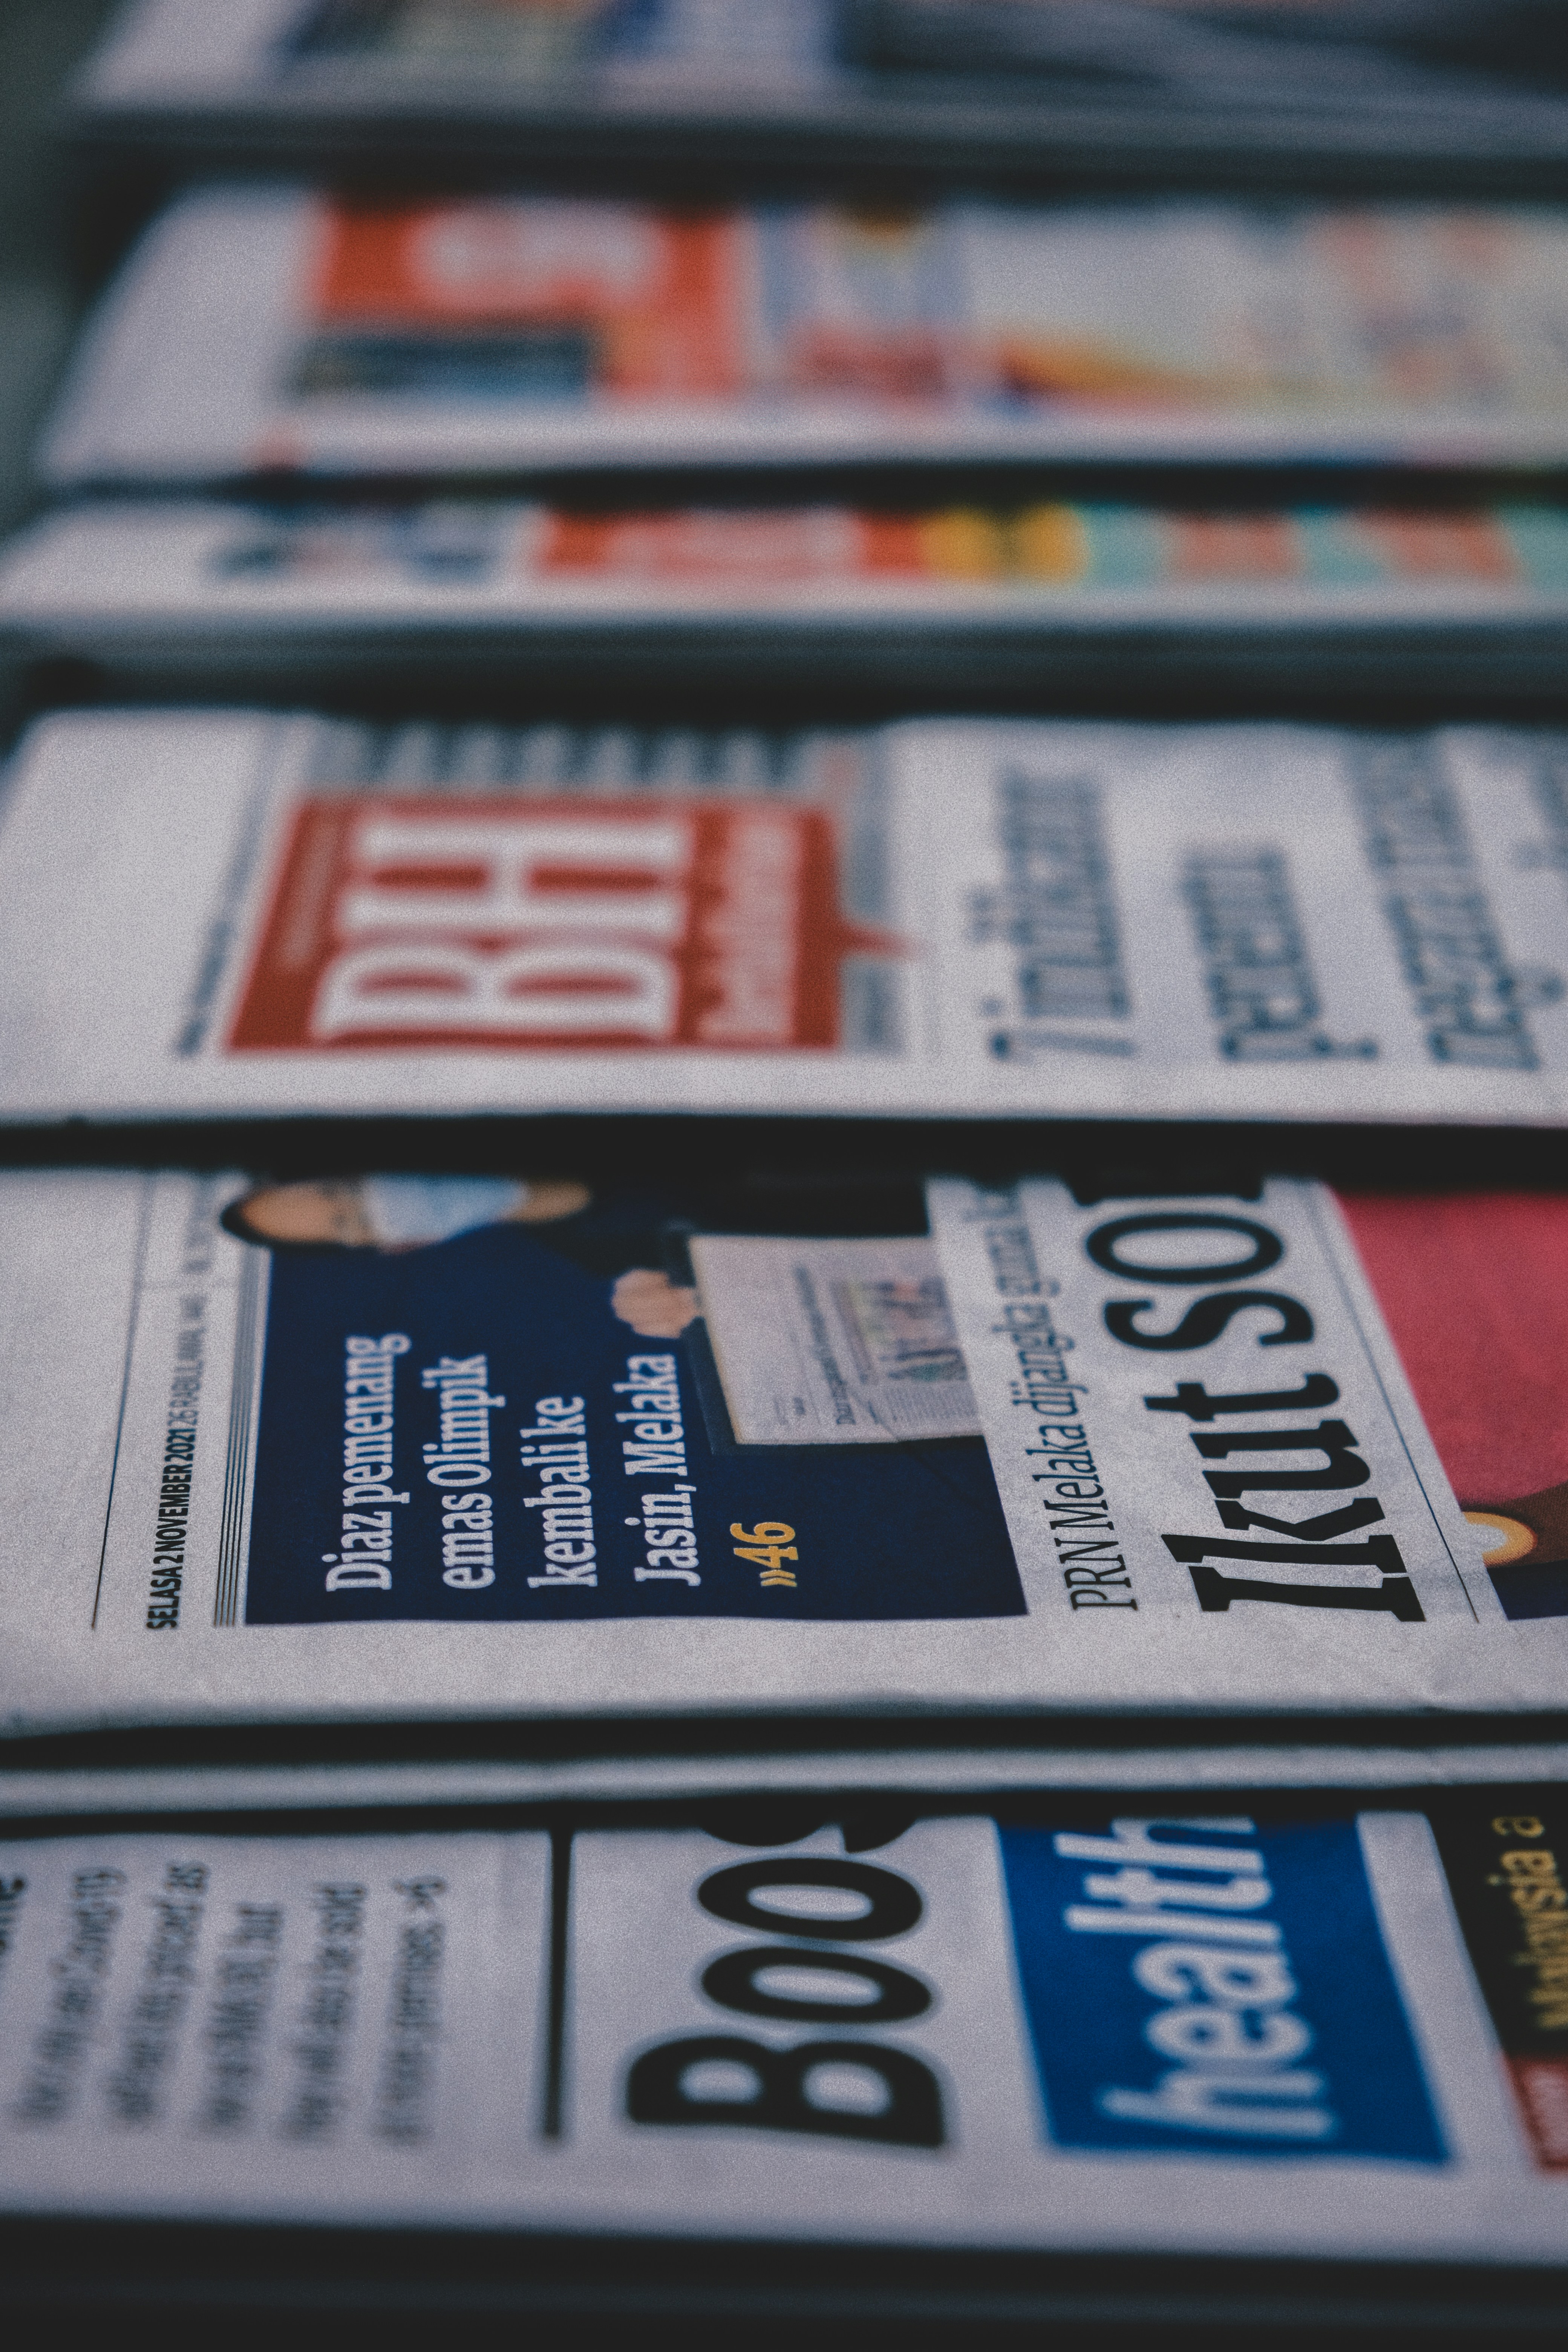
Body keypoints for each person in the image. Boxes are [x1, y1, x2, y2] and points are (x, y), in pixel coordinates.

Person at [224, 1172, 700, 1337]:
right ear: (404, 1245)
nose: (368, 1204)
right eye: (352, 1223)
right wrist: (698, 1305)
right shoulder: (615, 1262)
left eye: (340, 1188)